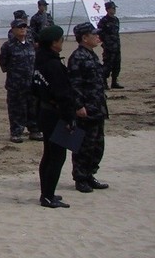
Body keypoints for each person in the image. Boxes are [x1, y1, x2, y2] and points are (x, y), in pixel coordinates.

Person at [34, 25, 88, 208]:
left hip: (44, 111)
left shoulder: (39, 62)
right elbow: (63, 95)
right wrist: (70, 118)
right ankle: (47, 196)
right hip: (55, 114)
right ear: (54, 43)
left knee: (48, 154)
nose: (62, 42)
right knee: (57, 156)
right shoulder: (53, 65)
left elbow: (35, 89)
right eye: (61, 39)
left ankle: (46, 194)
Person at [67, 22, 109, 193]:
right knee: (84, 145)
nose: (98, 37)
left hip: (97, 107)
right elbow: (74, 85)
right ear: (84, 38)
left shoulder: (92, 55)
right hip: (86, 110)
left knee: (98, 145)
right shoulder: (77, 57)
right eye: (94, 34)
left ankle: (90, 174)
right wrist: (79, 106)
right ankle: (80, 177)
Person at [0, 18, 38, 142]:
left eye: (24, 27)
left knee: (33, 107)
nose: (22, 29)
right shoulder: (8, 46)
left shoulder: (31, 43)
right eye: (19, 27)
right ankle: (16, 132)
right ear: (13, 30)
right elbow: (3, 63)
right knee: (16, 109)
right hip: (15, 84)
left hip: (31, 83)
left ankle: (34, 130)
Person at [96, 1, 123, 89]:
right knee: (108, 64)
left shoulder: (116, 19)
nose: (114, 10)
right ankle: (104, 83)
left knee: (117, 64)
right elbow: (100, 32)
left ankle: (114, 82)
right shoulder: (104, 21)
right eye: (113, 8)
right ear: (108, 9)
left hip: (116, 46)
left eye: (115, 8)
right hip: (109, 47)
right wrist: (106, 41)